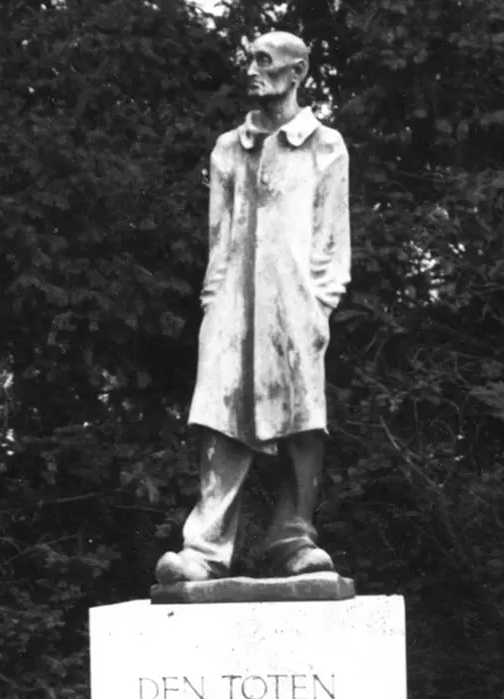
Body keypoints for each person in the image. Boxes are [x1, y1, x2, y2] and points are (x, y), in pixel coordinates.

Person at [156, 31, 351, 584]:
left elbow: (333, 244)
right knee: (218, 412)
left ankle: (293, 539)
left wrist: (318, 309)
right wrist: (212, 303)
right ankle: (205, 548)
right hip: (232, 303)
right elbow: (219, 238)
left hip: (296, 303)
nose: (252, 70)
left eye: (264, 61)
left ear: (298, 71)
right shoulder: (227, 147)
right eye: (249, 60)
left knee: (302, 420)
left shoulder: (325, 145)